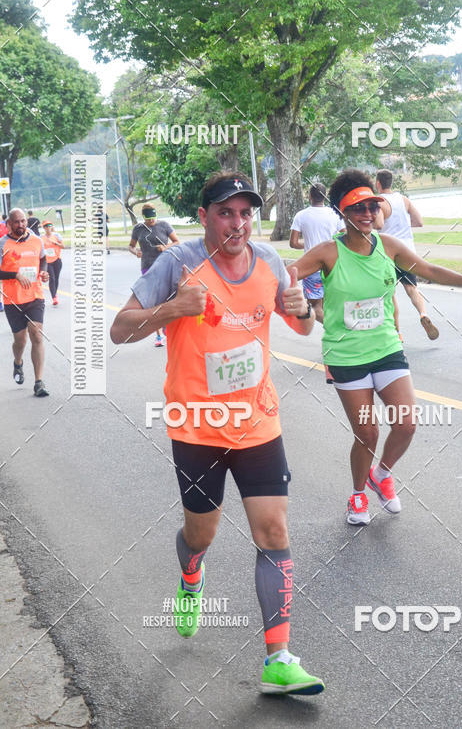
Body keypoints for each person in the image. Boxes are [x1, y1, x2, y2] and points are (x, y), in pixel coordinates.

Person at [111, 172, 324, 696]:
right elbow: (120, 328)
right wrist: (171, 309)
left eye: (245, 212)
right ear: (204, 216)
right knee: (201, 534)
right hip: (197, 428)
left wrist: (304, 312)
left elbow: (301, 325)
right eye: (226, 212)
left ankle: (278, 657)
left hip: (258, 422)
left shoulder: (270, 261)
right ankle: (191, 574)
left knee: (274, 533)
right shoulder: (178, 263)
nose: (238, 223)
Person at [291, 169, 462, 526]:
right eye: (358, 208)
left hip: (386, 347)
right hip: (346, 354)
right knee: (367, 432)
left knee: (407, 424)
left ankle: (381, 474)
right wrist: (291, 302)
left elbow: (429, 270)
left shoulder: (388, 247)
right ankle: (356, 495)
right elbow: (286, 275)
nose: (367, 214)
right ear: (342, 212)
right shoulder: (327, 253)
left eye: (372, 206)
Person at [375, 169, 439, 340]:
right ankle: (423, 314)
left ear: (378, 183)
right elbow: (419, 222)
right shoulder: (403, 199)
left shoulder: (380, 202)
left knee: (390, 293)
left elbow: (379, 224)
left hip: (389, 253)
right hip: (408, 251)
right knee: (411, 288)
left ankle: (398, 332)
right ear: (391, 182)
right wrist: (402, 225)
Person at [0, 208, 50, 396]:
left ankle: (39, 382)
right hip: (13, 300)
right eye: (16, 222)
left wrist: (44, 271)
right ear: (9, 224)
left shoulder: (36, 240)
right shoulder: (2, 244)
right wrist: (15, 275)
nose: (21, 225)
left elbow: (43, 258)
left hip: (35, 296)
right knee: (20, 341)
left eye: (23, 221)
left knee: (36, 335)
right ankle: (18, 362)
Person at [289, 183, 343, 323]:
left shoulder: (301, 216)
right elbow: (345, 236)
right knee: (330, 304)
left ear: (310, 196)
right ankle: (339, 332)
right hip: (333, 265)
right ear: (325, 196)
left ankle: (336, 331)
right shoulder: (335, 213)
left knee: (315, 306)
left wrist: (308, 245)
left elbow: (293, 243)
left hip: (312, 266)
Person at [129, 204, 180, 346]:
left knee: (167, 299)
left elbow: (176, 241)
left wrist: (165, 247)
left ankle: (168, 327)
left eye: (153, 218)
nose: (151, 221)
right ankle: (158, 336)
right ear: (144, 217)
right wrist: (135, 252)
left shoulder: (164, 225)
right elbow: (131, 246)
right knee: (152, 302)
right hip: (147, 268)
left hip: (165, 266)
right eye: (148, 219)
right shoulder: (138, 229)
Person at [41, 220, 64, 305]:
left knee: (56, 279)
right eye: (46, 226)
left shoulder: (57, 236)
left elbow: (63, 246)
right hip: (47, 262)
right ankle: (54, 297)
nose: (48, 227)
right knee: (52, 279)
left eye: (49, 225)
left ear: (52, 226)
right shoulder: (41, 238)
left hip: (57, 260)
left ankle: (55, 294)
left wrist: (56, 243)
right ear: (43, 228)